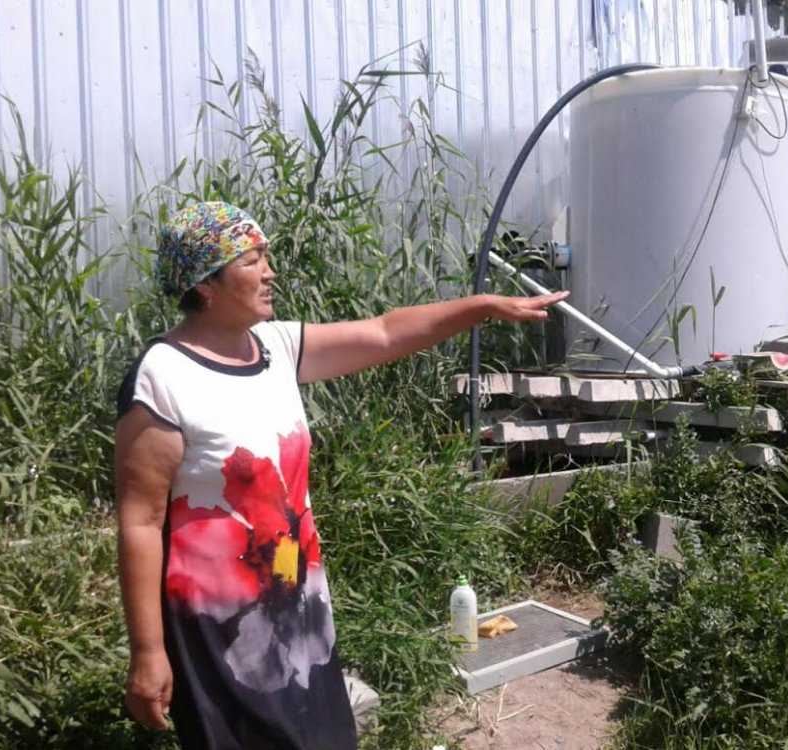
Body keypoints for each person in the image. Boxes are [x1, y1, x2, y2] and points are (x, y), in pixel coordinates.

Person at [115, 201, 568, 749]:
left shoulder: (275, 347)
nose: (270, 272)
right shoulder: (163, 375)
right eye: (252, 260)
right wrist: (148, 651)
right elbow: (141, 522)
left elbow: (384, 333)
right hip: (221, 630)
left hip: (301, 612)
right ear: (205, 284)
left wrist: (482, 306)